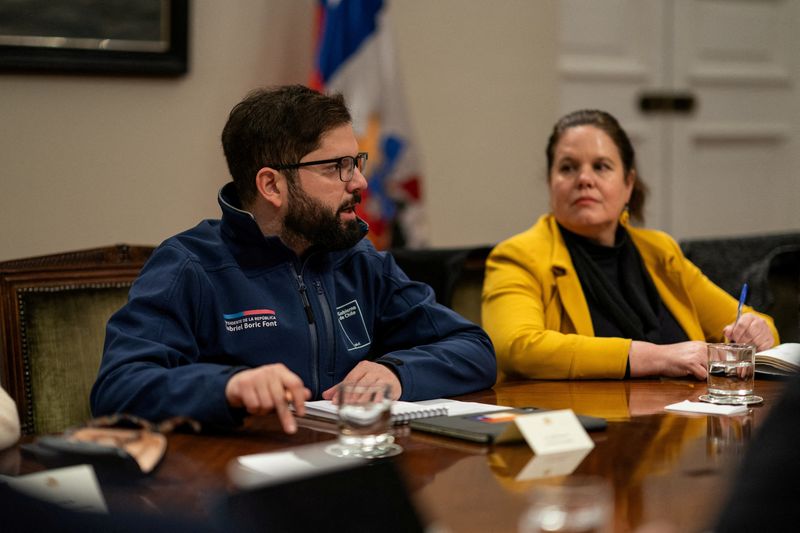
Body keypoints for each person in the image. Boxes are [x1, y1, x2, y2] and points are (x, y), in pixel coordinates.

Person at [91, 85, 496, 433]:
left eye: (355, 163)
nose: (359, 182)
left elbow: (474, 348)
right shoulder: (189, 267)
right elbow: (118, 387)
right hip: (232, 490)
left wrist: (397, 372)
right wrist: (228, 387)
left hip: (349, 474)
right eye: (337, 167)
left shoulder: (358, 260)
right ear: (271, 185)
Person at [482, 109, 778, 381]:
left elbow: (748, 321)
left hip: (679, 427)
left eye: (601, 166)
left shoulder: (660, 251)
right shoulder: (518, 256)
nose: (584, 179)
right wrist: (654, 357)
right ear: (550, 183)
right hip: (583, 427)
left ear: (628, 184)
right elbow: (515, 346)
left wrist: (757, 332)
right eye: (568, 168)